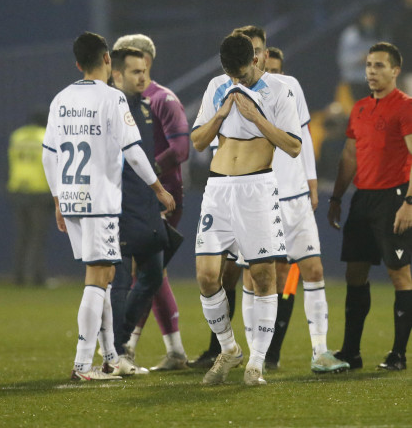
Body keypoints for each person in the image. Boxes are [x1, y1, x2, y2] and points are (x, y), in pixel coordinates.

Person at [42, 32, 175, 381]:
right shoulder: (112, 99)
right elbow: (133, 150)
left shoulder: (60, 99)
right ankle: (83, 364)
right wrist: (159, 188)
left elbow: (48, 155)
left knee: (108, 274)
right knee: (98, 277)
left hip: (71, 198)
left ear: (76, 63)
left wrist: (57, 199)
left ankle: (110, 357)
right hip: (99, 199)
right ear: (106, 60)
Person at [229, 28, 347, 373]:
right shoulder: (231, 91)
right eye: (248, 50)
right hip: (259, 198)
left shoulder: (290, 86)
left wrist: (311, 184)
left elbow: (304, 139)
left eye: (258, 50)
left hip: (295, 197)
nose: (255, 56)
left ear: (265, 54)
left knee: (313, 269)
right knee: (255, 277)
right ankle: (257, 357)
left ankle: (320, 352)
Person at [190, 32, 301, 386]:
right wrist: (221, 114)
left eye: (242, 73)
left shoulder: (281, 90)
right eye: (231, 75)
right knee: (207, 277)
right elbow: (198, 141)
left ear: (256, 59)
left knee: (264, 277)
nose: (237, 81)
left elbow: (294, 146)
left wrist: (257, 118)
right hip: (218, 189)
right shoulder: (217, 86)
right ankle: (229, 349)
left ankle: (256, 362)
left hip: (256, 188)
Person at [328, 42, 412, 371]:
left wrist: (409, 202)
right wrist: (336, 197)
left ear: (395, 70)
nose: (371, 71)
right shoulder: (360, 108)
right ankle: (351, 352)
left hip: (394, 198)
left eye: (379, 65)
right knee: (355, 273)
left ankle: (398, 355)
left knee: (400, 274)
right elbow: (349, 156)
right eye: (368, 65)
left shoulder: (405, 107)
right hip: (362, 199)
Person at [111, 33, 191, 371]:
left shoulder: (162, 99)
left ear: (146, 61)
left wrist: (147, 177)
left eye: (137, 66)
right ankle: (168, 350)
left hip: (161, 198)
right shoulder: (118, 101)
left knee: (145, 270)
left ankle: (124, 346)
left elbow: (182, 150)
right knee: (150, 273)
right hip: (133, 198)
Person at [107, 46, 171, 374]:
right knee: (119, 280)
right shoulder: (109, 107)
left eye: (144, 70)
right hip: (119, 204)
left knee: (152, 275)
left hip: (145, 204)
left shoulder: (145, 107)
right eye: (135, 71)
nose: (142, 76)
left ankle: (119, 344)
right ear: (116, 75)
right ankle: (116, 351)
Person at [7, 110, 51, 286]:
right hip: (39, 190)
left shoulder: (18, 136)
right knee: (37, 238)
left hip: (18, 188)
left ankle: (18, 277)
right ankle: (36, 278)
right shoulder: (45, 136)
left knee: (23, 237)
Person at [337, 7, 383, 102]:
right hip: (356, 80)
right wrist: (360, 58)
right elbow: (344, 60)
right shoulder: (351, 35)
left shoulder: (380, 33)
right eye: (367, 17)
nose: (370, 20)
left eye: (372, 17)